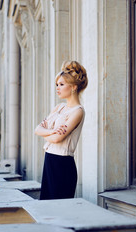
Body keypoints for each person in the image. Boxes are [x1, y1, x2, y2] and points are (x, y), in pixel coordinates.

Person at [35, 60, 88, 200]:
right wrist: (52, 131)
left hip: (62, 165)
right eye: (57, 85)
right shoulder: (59, 108)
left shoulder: (78, 111)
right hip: (49, 161)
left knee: (60, 212)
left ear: (73, 87)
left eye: (61, 84)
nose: (57, 88)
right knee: (46, 209)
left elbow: (57, 139)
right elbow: (37, 129)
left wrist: (47, 133)